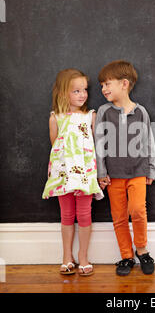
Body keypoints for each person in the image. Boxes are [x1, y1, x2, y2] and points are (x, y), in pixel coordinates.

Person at [95, 60, 155, 276]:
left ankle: (142, 250)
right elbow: (99, 143)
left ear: (124, 83)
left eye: (107, 84)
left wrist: (151, 168)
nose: (103, 89)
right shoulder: (104, 112)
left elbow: (149, 141)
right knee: (119, 216)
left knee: (138, 211)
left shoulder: (141, 112)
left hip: (138, 172)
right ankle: (126, 256)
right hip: (114, 175)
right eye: (101, 85)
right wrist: (101, 172)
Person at [42, 68, 104, 276]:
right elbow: (56, 147)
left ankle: (83, 256)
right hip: (63, 175)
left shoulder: (90, 116)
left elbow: (97, 145)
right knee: (67, 214)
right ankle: (66, 257)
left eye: (84, 90)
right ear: (63, 93)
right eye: (76, 91)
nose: (83, 94)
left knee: (85, 214)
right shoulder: (55, 118)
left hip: (85, 174)